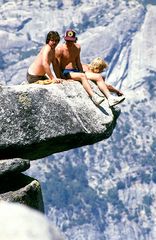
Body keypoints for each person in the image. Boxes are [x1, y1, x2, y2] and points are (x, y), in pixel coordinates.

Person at [55, 29, 125, 106]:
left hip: (76, 71)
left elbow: (78, 61)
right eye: (68, 40)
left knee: (98, 76)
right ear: (65, 39)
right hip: (66, 72)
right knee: (82, 76)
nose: (69, 42)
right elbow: (56, 66)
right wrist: (60, 78)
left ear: (74, 40)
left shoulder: (77, 47)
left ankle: (110, 98)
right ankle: (94, 97)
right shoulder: (59, 49)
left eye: (71, 41)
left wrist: (81, 71)